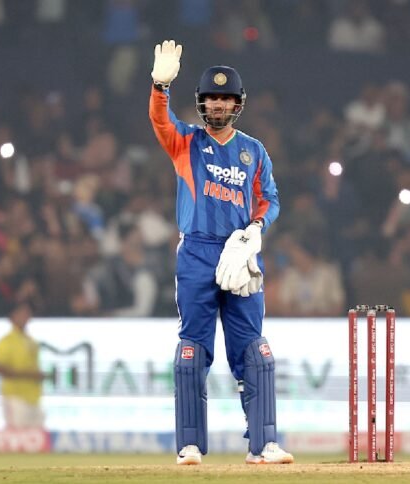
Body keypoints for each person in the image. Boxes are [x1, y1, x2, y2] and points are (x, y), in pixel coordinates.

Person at [148, 40, 292, 465]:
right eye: (211, 97)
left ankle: (263, 444)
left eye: (225, 98)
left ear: (237, 104)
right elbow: (160, 121)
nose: (217, 104)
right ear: (201, 102)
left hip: (240, 253)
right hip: (197, 253)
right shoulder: (186, 142)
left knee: (254, 351)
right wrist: (160, 87)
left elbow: (270, 199)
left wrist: (256, 231)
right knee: (192, 350)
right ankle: (189, 445)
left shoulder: (254, 151)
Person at [0, 301, 45, 429]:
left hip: (34, 397)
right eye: (21, 312)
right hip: (15, 396)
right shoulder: (6, 341)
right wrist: (28, 375)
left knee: (37, 435)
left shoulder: (32, 341)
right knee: (17, 434)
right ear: (12, 316)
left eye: (27, 312)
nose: (25, 316)